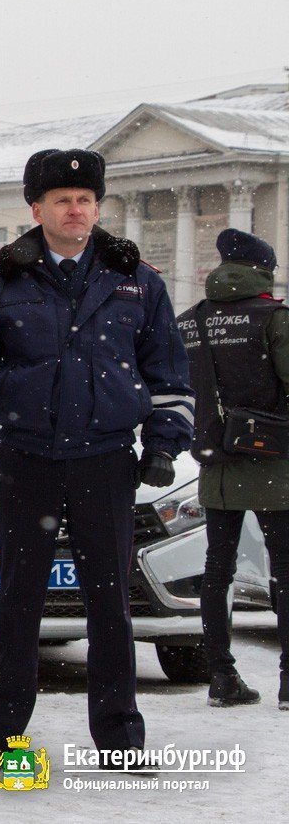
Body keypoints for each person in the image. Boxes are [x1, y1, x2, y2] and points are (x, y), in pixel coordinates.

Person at [0, 149, 193, 772]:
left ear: (97, 207)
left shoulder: (135, 280)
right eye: (62, 200)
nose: (75, 210)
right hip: (28, 458)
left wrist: (165, 444)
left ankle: (120, 738)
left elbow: (168, 370)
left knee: (110, 602)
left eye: (85, 200)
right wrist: (11, 392)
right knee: (17, 602)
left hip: (105, 460)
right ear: (36, 208)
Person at [176, 228, 289, 710]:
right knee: (283, 571)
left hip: (214, 463)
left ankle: (221, 678)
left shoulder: (191, 321)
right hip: (273, 461)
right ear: (262, 270)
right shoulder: (275, 319)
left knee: (216, 571)